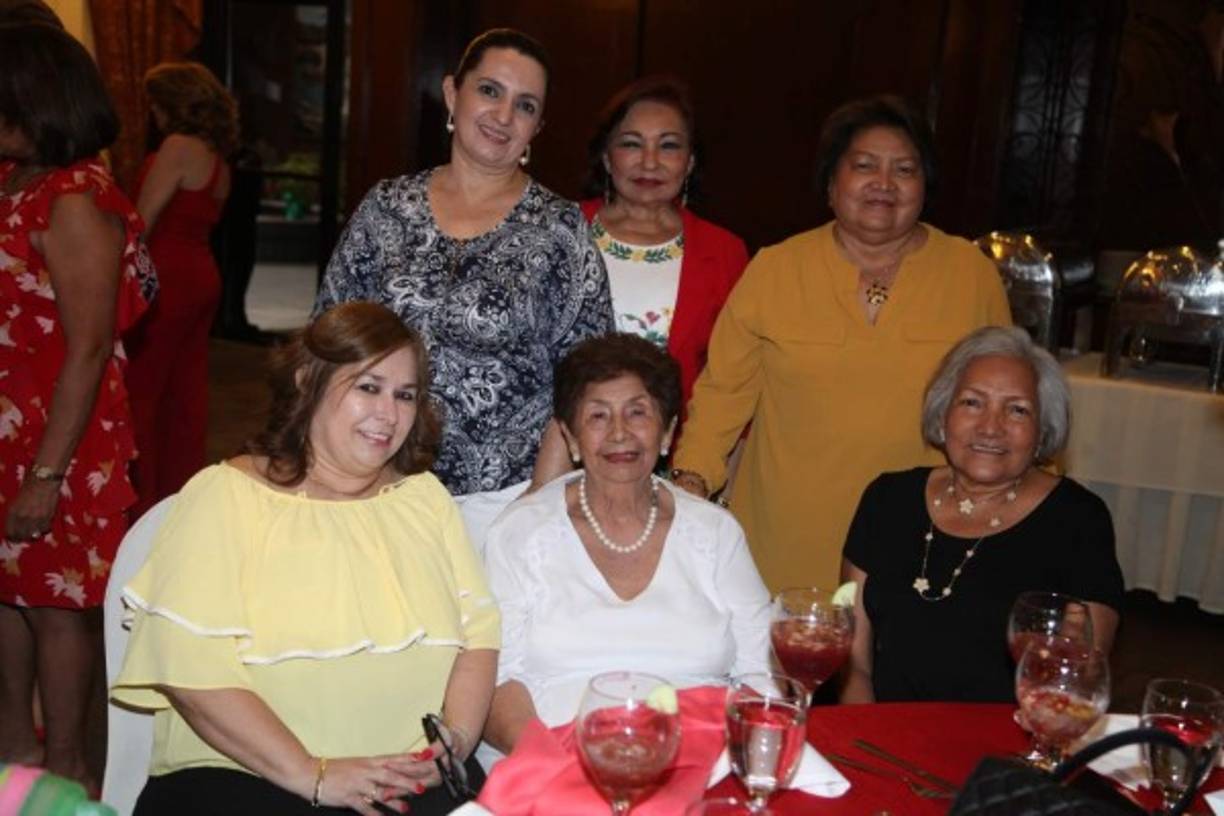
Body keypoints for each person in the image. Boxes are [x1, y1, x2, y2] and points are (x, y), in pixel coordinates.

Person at [111, 302, 499, 816]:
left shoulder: (424, 499)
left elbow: (478, 635)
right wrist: (313, 774)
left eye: (405, 395)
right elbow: (191, 670)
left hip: (411, 782)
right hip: (246, 779)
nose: (389, 413)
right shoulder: (224, 498)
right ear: (306, 382)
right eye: (368, 387)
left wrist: (454, 743)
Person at [670, 95, 1012, 592]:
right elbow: (724, 393)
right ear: (832, 183)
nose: (884, 183)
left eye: (904, 169)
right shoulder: (776, 269)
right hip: (786, 536)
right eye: (865, 166)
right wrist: (691, 483)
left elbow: (1014, 397)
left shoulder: (970, 274)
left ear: (925, 186)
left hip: (925, 534)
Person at [317, 29, 613, 551]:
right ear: (454, 94)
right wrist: (330, 470)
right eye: (490, 91)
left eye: (525, 105)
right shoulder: (386, 207)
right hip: (372, 481)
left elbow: (586, 376)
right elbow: (327, 340)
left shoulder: (561, 230)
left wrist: (539, 501)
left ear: (537, 127)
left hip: (501, 503)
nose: (503, 116)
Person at [482, 333, 770, 758]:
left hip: (698, 760)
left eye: (638, 413)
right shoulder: (520, 533)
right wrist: (562, 769)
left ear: (668, 432)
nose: (620, 433)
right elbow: (493, 681)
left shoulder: (715, 533)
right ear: (572, 438)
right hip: (554, 764)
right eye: (598, 416)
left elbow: (759, 672)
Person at [0, 23, 155, 789]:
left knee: (57, 609)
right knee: (9, 596)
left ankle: (64, 776)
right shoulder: (18, 179)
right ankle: (14, 760)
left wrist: (45, 473)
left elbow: (89, 345)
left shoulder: (74, 197)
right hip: (10, 428)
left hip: (57, 439)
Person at [840, 326, 1124, 703]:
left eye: (1017, 410)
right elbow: (854, 665)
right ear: (943, 416)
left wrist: (1069, 661)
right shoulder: (887, 499)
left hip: (1007, 746)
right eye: (972, 403)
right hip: (884, 741)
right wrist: (864, 738)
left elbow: (1082, 680)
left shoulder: (1079, 521)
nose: (991, 427)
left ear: (1042, 433)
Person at [580, 76, 749, 414]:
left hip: (677, 453)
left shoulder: (725, 252)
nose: (650, 161)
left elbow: (737, 380)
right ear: (607, 156)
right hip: (563, 449)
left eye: (669, 145)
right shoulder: (561, 231)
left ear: (690, 162)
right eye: (631, 143)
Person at [125, 61, 239, 520]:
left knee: (144, 394)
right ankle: (176, 505)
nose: (150, 113)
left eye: (153, 103)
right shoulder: (218, 159)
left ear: (169, 103)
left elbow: (141, 223)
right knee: (185, 396)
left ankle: (139, 508)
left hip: (166, 279)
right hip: (202, 277)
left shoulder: (177, 147)